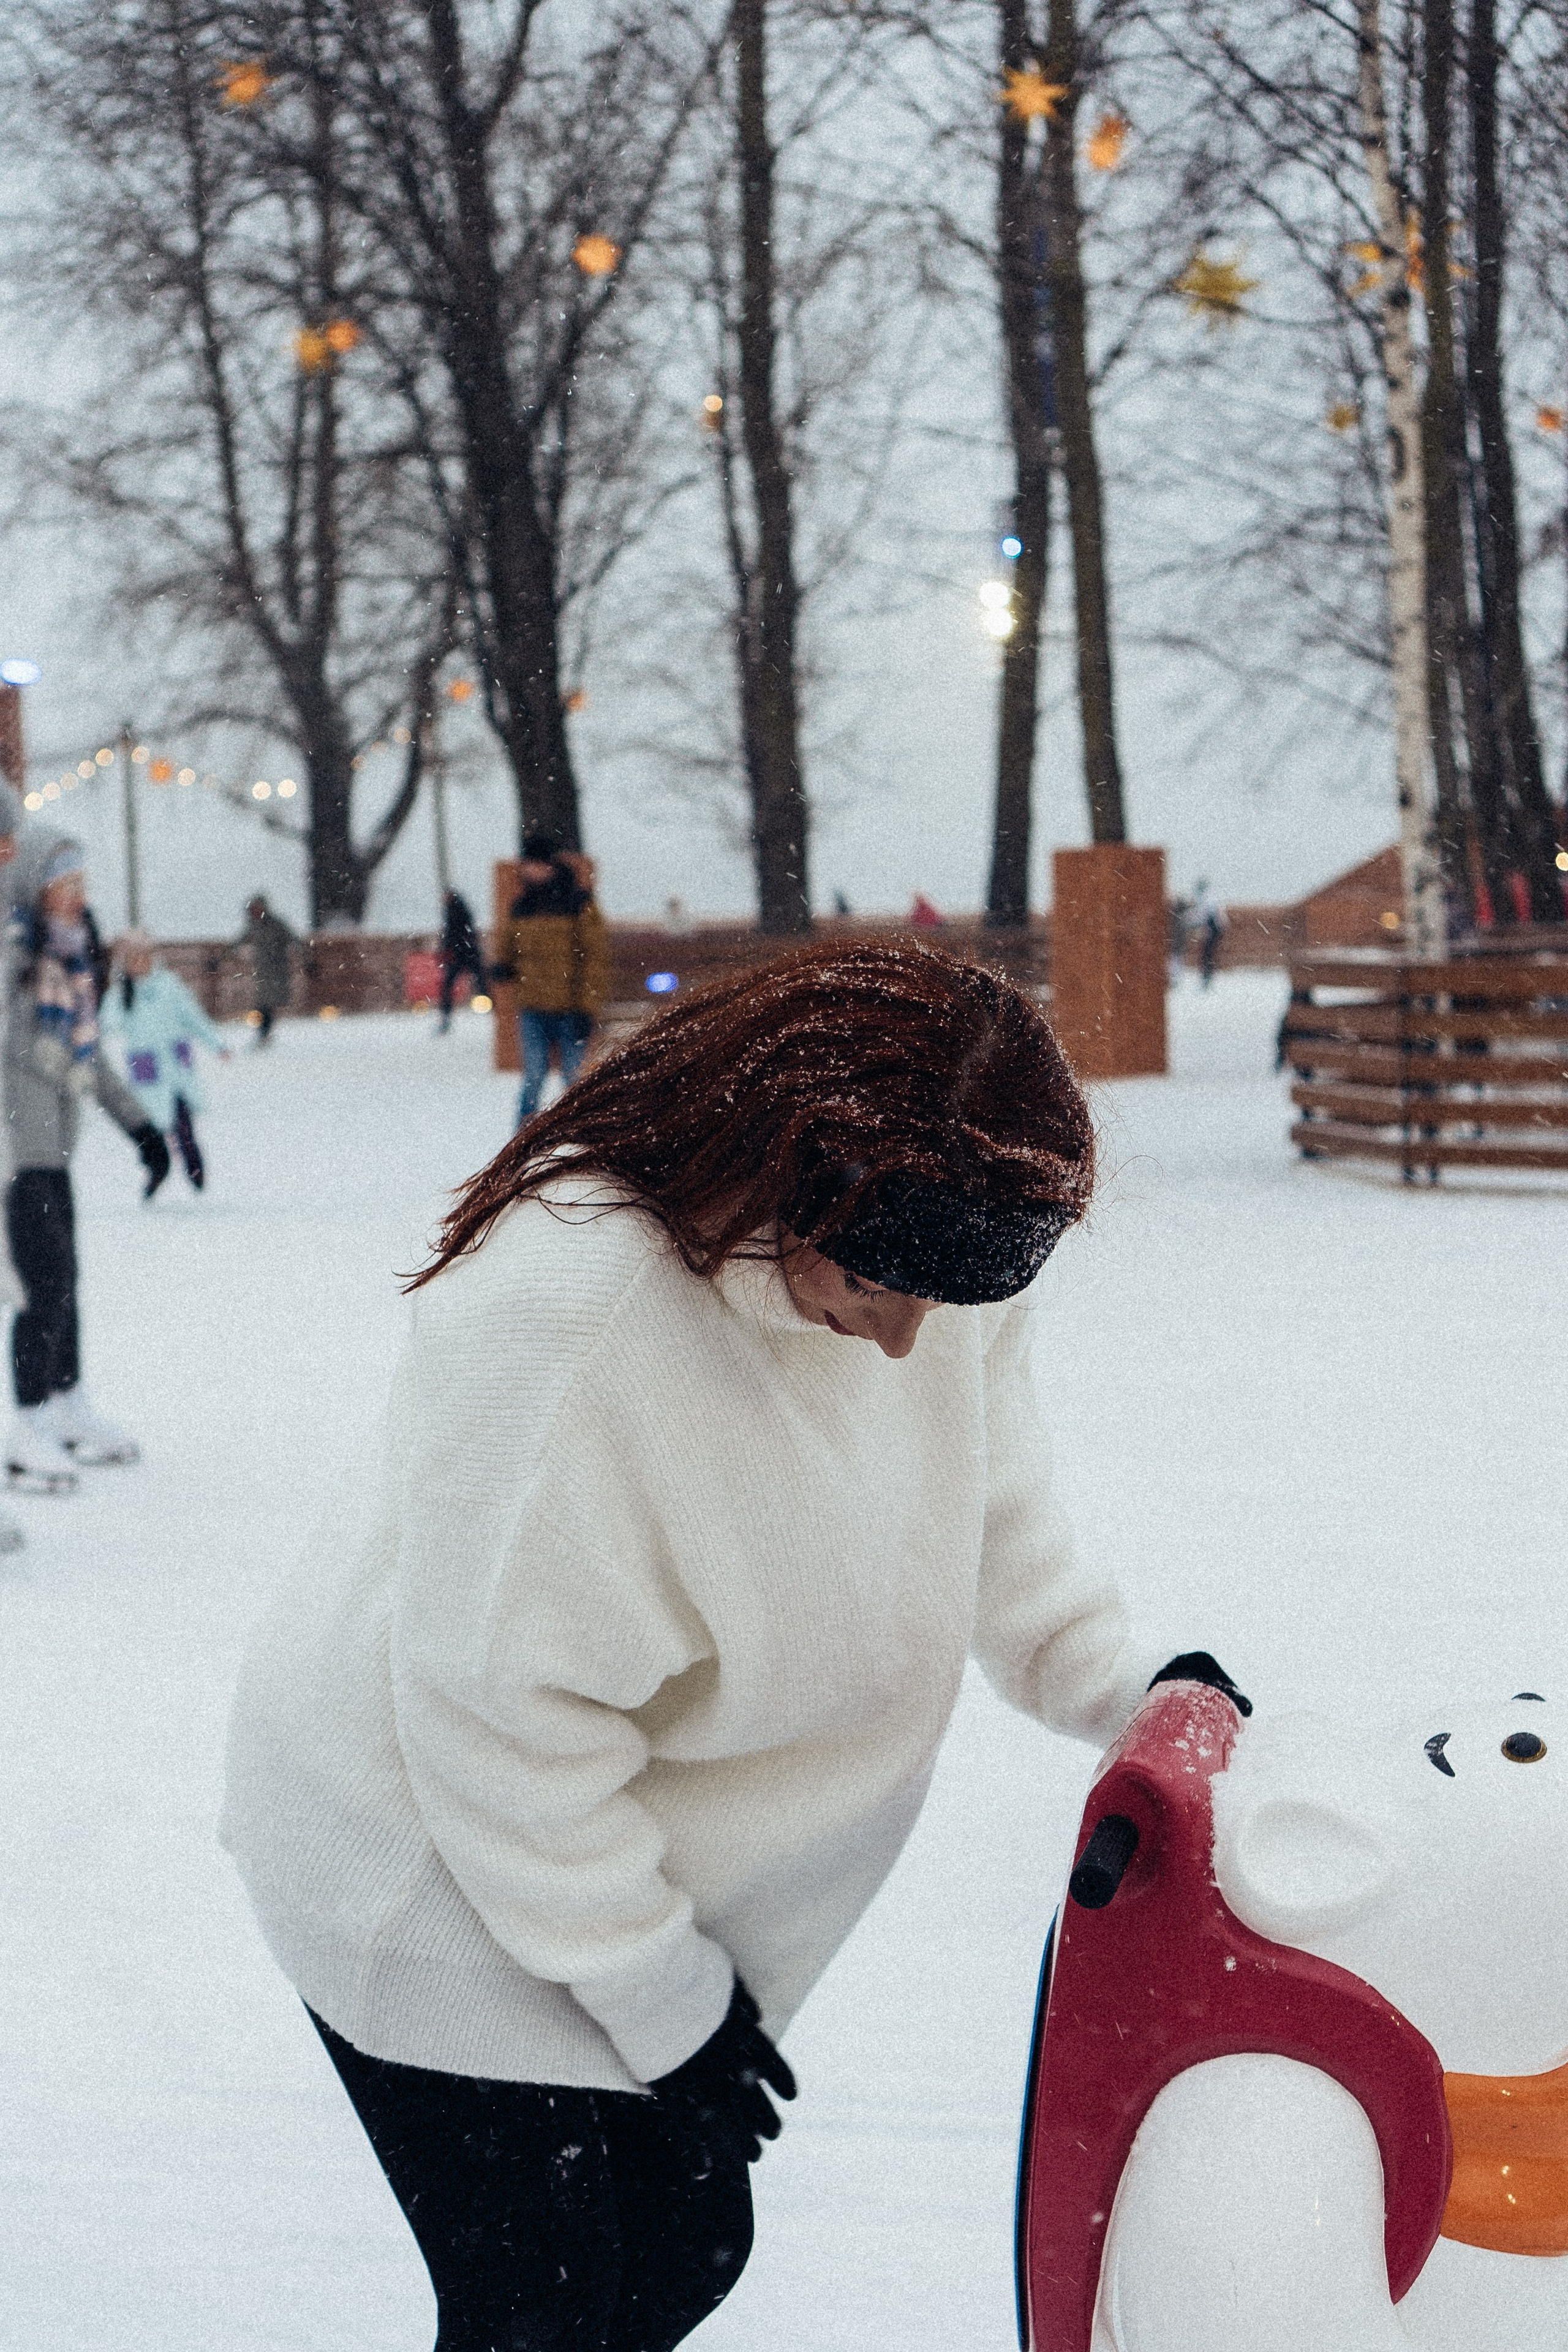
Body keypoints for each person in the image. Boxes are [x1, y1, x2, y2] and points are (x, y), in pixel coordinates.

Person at [221, 940, 1247, 2352]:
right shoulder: (574, 1314)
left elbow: (986, 1500)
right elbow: (496, 1723)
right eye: (873, 1284)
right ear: (779, 1175)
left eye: (938, 1300)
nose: (901, 1343)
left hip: (596, 1842)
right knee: (556, 2297)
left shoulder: (925, 1244)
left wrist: (1117, 1682)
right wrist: (664, 2000)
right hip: (421, 1859)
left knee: (679, 2244)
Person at [3, 834, 170, 1496]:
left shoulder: (66, 965)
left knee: (65, 1281)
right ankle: (28, 1424)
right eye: (65, 885)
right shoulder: (15, 958)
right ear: (36, 892)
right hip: (14, 1154)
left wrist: (143, 1130)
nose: (79, 896)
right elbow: (27, 1049)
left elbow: (85, 1056)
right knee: (40, 1286)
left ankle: (66, 1404)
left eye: (82, 883)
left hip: (52, 1150)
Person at [100, 930, 232, 1191]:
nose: (140, 964)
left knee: (183, 1122)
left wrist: (216, 1044)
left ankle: (195, 1169)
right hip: (146, 1070)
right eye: (133, 959)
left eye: (144, 957)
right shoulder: (120, 994)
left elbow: (192, 1016)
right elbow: (106, 1024)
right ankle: (157, 1169)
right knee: (153, 1127)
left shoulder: (169, 986)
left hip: (175, 1068)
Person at [501, 832, 609, 1125]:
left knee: (574, 1082)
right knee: (532, 1079)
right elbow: (508, 948)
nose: (531, 871)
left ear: (549, 866)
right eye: (527, 865)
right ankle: (520, 1146)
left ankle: (582, 1139)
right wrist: (502, 966)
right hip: (533, 1009)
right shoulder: (521, 906)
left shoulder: (578, 903)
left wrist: (587, 1007)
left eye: (536, 864)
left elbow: (594, 958)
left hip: (570, 1008)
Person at [234, 894, 298, 1043]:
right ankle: (264, 1034)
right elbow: (238, 943)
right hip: (263, 972)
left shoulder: (277, 925)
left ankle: (265, 1034)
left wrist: (308, 959)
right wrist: (220, 959)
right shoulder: (254, 927)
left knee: (269, 1003)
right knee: (264, 1004)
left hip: (278, 971)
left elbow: (294, 940)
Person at [437, 888, 485, 1033]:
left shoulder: (455, 912)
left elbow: (453, 934)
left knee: (452, 984)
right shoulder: (457, 911)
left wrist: (448, 949)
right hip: (465, 953)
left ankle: (447, 1015)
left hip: (463, 953)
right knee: (479, 981)